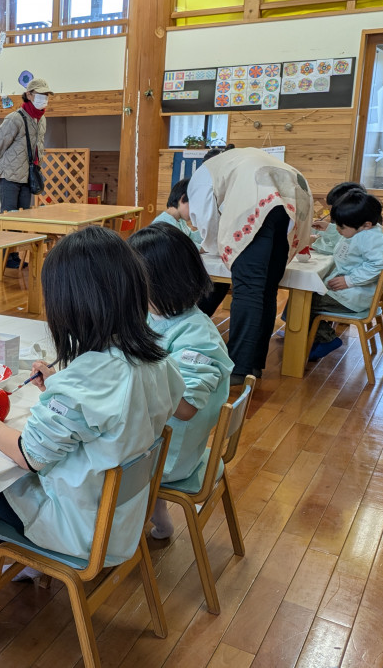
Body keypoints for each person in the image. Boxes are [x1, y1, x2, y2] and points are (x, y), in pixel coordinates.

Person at [0, 226, 184, 627]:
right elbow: (118, 411)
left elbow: (29, 454)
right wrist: (59, 385)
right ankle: (31, 566)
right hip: (123, 517)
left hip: (80, 529)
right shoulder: (158, 359)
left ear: (73, 305)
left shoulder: (87, 379)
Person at [127, 224, 233, 539]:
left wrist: (132, 378)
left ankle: (106, 536)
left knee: (82, 451)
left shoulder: (197, 336)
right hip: (160, 438)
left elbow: (185, 408)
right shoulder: (162, 315)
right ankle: (155, 517)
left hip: (168, 454)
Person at [187, 147, 313, 385]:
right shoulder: (241, 159)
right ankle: (253, 363)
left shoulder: (205, 172)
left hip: (262, 201)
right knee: (266, 289)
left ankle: (239, 367)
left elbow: (205, 216)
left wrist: (214, 246)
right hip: (294, 194)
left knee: (249, 289)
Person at [308, 190, 383, 360]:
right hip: (354, 295)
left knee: (303, 302)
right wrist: (330, 229)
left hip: (353, 297)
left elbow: (380, 264)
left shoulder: (369, 238)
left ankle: (326, 339)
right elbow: (345, 239)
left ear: (366, 225)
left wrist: (349, 280)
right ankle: (313, 338)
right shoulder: (363, 232)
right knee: (305, 299)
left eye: (341, 227)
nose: (339, 229)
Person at [0, 77, 54, 268]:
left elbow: (39, 147)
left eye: (46, 95)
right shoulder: (14, 118)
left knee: (22, 219)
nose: (44, 98)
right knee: (8, 217)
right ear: (29, 95)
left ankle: (13, 255)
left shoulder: (41, 120)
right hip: (9, 175)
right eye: (40, 94)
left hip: (27, 175)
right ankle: (4, 257)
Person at [311, 181, 365, 255]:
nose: (331, 212)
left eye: (333, 209)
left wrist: (314, 242)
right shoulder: (349, 223)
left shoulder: (359, 229)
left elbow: (339, 248)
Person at [152, 178, 202, 244]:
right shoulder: (164, 223)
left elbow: (190, 237)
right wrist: (203, 247)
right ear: (183, 199)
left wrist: (208, 233)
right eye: (194, 206)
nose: (194, 211)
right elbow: (183, 245)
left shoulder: (180, 220)